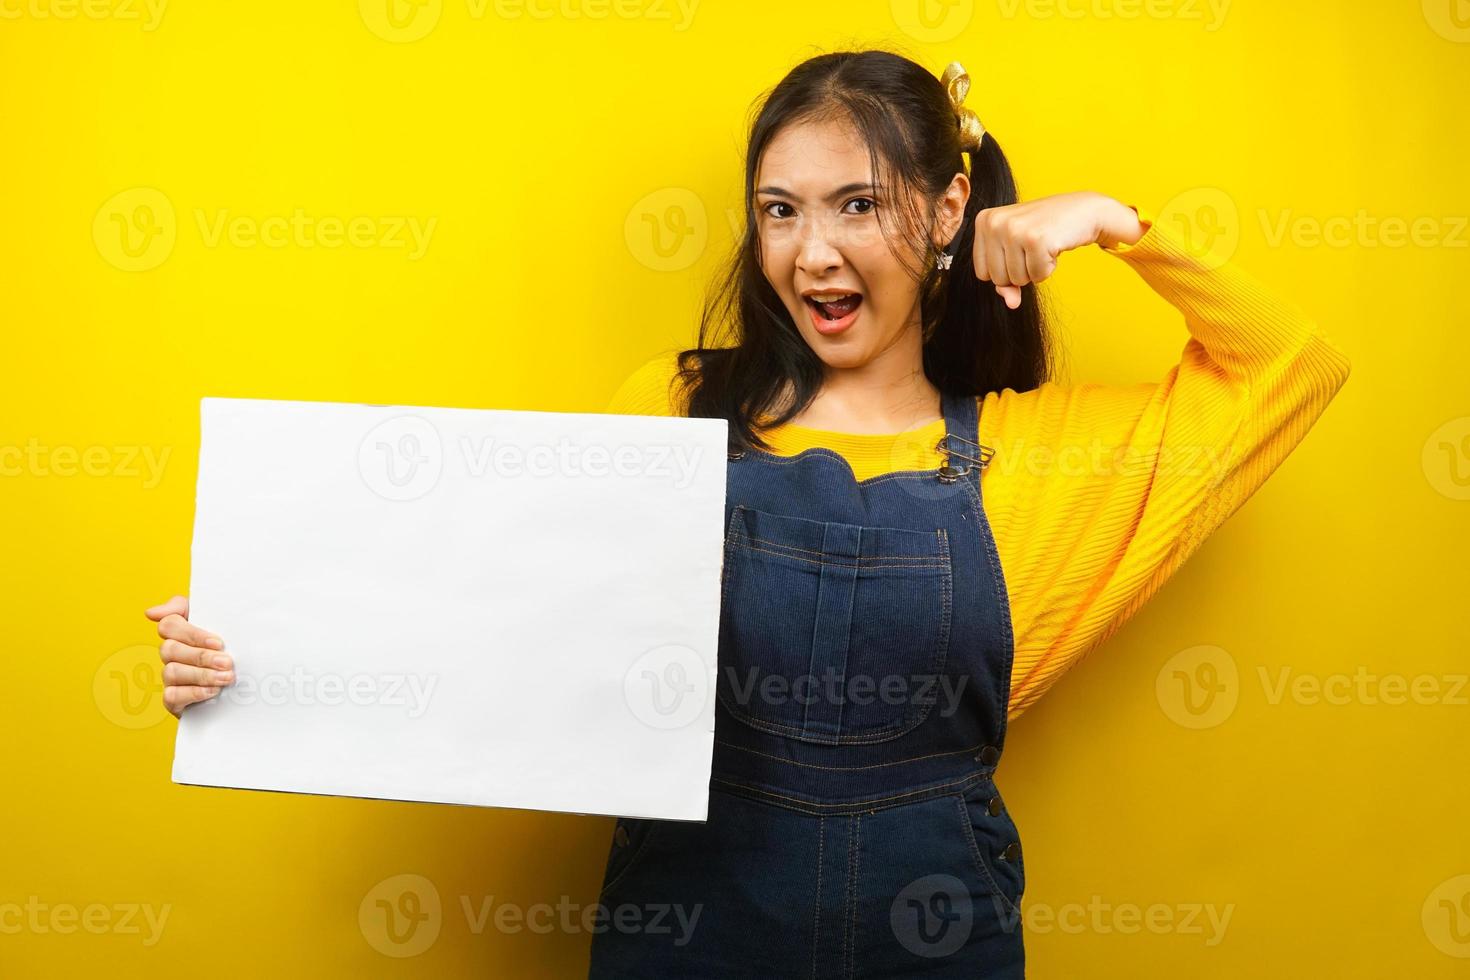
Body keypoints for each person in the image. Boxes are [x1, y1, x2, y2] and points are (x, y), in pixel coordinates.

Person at [147, 48, 1351, 978]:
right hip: (689, 929)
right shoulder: (673, 410)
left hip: (934, 935)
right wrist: (261, 656)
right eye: (780, 210)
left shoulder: (1046, 455)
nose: (812, 252)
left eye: (858, 205)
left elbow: (1290, 365)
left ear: (948, 209)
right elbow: (498, 637)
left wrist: (1118, 224)